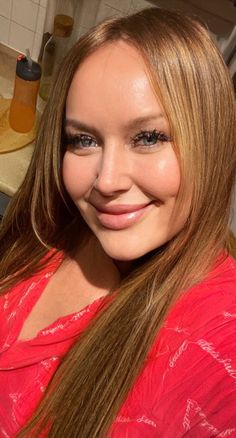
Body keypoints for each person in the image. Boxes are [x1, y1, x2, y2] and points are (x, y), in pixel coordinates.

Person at [0, 6, 236, 438]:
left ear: (211, 140)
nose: (105, 182)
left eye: (149, 137)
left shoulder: (218, 340)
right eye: (83, 140)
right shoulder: (54, 223)